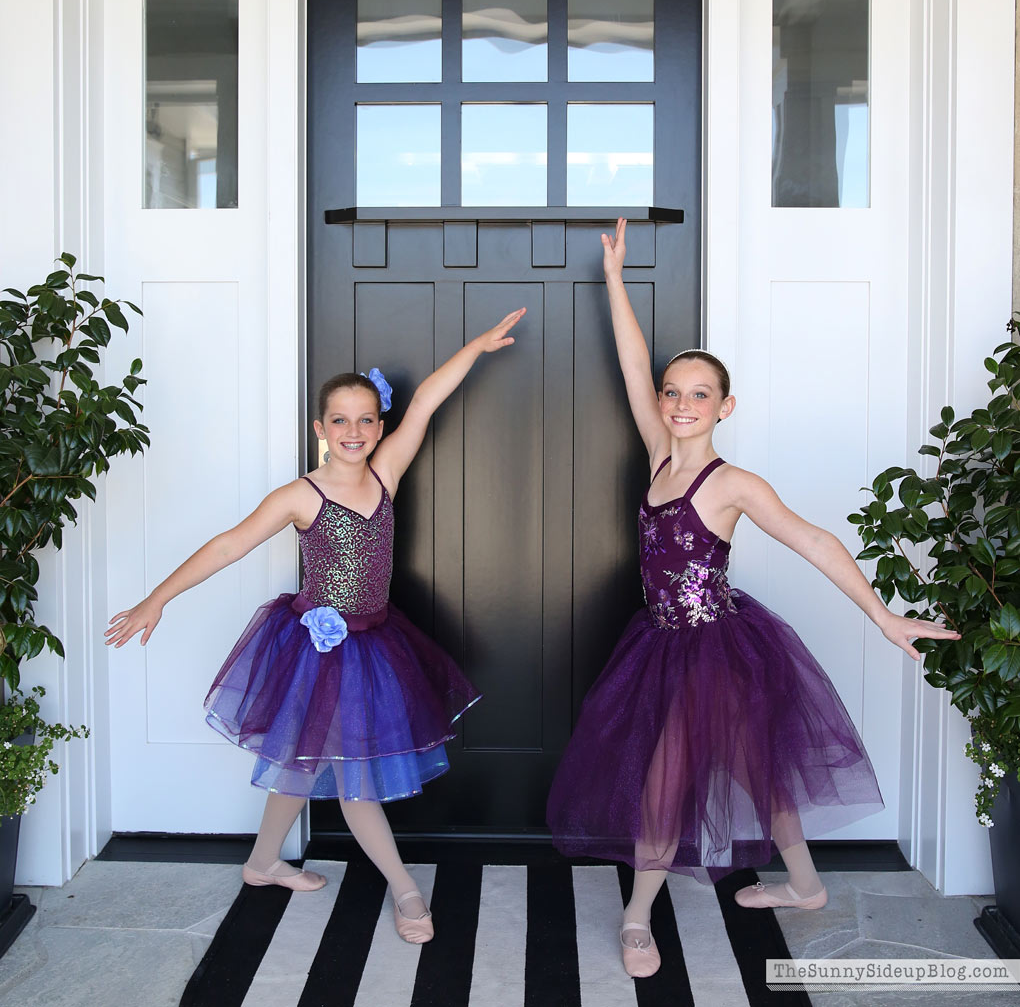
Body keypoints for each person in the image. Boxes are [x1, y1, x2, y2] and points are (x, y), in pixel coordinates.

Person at [546, 219, 958, 979]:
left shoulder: (731, 483)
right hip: (661, 642)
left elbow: (814, 540)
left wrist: (882, 615)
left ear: (725, 407)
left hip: (717, 650)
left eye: (699, 395)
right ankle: (803, 885)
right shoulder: (660, 452)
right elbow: (634, 368)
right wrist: (613, 278)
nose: (680, 403)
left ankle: (638, 918)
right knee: (754, 772)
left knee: (669, 776)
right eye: (675, 393)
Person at [106, 308, 525, 945]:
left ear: (378, 426)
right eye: (340, 420)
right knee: (350, 778)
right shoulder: (300, 494)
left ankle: (262, 863)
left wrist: (477, 346)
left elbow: (429, 402)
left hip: (376, 643)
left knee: (301, 764)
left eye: (366, 419)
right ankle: (406, 890)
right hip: (315, 649)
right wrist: (156, 599)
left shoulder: (386, 475)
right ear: (320, 428)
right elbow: (227, 546)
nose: (354, 431)